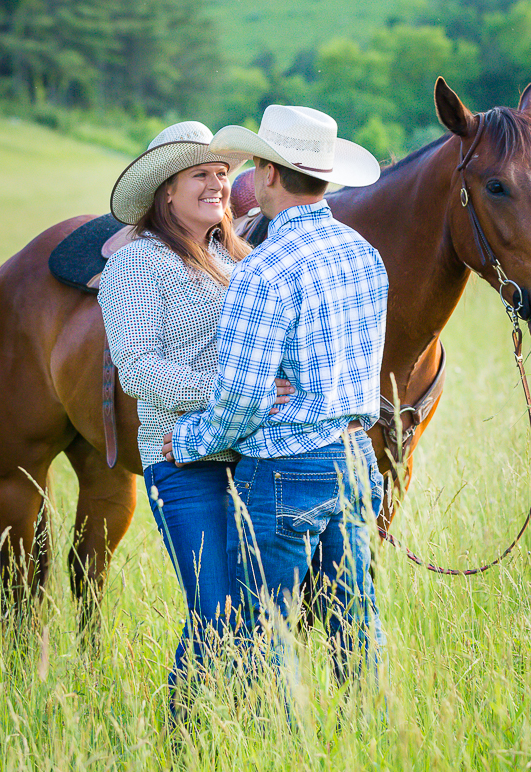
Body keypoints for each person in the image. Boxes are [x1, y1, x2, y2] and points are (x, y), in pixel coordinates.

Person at [163, 105, 389, 687]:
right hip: (355, 458)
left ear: (264, 172)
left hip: (286, 469)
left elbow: (240, 401)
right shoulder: (363, 255)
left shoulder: (264, 272)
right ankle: (371, 744)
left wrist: (186, 440)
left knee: (261, 631)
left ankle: (279, 758)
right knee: (356, 622)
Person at [97, 121, 292, 705]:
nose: (216, 184)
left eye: (222, 174)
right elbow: (137, 366)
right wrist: (238, 391)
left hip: (256, 459)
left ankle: (244, 734)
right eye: (200, 175)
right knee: (213, 613)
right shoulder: (140, 264)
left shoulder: (243, 259)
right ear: (168, 194)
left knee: (256, 614)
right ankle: (180, 739)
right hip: (185, 462)